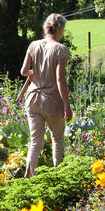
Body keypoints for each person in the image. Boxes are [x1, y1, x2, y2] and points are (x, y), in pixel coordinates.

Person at [20, 13, 72, 177]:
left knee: (35, 142)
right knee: (57, 139)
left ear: (46, 28)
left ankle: (30, 179)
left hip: (32, 99)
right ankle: (58, 177)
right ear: (60, 30)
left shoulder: (33, 45)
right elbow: (59, 78)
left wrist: (33, 72)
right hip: (51, 101)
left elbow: (23, 72)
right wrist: (67, 105)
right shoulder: (61, 50)